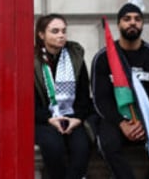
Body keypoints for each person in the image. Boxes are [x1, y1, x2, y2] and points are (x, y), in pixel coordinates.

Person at [90, 3, 149, 178]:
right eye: (127, 19)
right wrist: (121, 123)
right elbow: (101, 100)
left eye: (137, 19)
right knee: (107, 144)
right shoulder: (103, 58)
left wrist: (146, 122)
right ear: (118, 25)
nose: (132, 23)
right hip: (116, 119)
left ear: (142, 25)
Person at [34, 13, 92, 179]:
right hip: (44, 119)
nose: (61, 35)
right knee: (53, 146)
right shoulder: (32, 60)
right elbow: (29, 102)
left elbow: (83, 95)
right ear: (41, 34)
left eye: (64, 31)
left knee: (81, 147)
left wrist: (78, 119)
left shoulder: (76, 58)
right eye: (55, 31)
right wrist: (49, 119)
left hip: (72, 117)